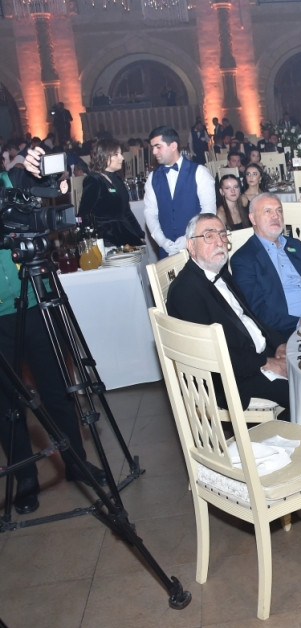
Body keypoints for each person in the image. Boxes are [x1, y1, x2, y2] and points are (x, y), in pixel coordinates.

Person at [0, 161, 108, 515]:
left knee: (57, 390)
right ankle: (25, 479)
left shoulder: (14, 179)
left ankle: (75, 461)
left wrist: (43, 174)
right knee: (7, 406)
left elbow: (46, 187)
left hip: (34, 301)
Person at [168, 213, 290, 411]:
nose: (219, 242)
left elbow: (250, 319)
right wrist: (266, 363)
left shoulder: (221, 272)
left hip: (256, 355)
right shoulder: (185, 291)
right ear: (191, 245)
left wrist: (279, 344)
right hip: (233, 377)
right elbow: (211, 352)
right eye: (209, 236)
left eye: (223, 235)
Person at [230, 194, 301, 338]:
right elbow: (257, 310)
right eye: (268, 211)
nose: (276, 216)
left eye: (279, 210)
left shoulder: (295, 245)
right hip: (290, 328)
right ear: (253, 218)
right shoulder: (244, 259)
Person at [143, 125, 217, 258]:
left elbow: (209, 212)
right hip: (166, 251)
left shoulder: (200, 172)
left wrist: (187, 239)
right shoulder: (152, 178)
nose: (153, 152)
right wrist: (162, 241)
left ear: (173, 146)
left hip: (198, 247)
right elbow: (150, 213)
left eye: (158, 147)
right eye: (152, 147)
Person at [78, 139, 146, 247]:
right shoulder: (94, 180)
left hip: (124, 234)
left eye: (121, 154)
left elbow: (126, 211)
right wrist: (90, 240)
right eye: (116, 154)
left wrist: (139, 234)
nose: (122, 158)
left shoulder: (117, 177)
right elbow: (83, 214)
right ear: (104, 156)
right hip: (105, 239)